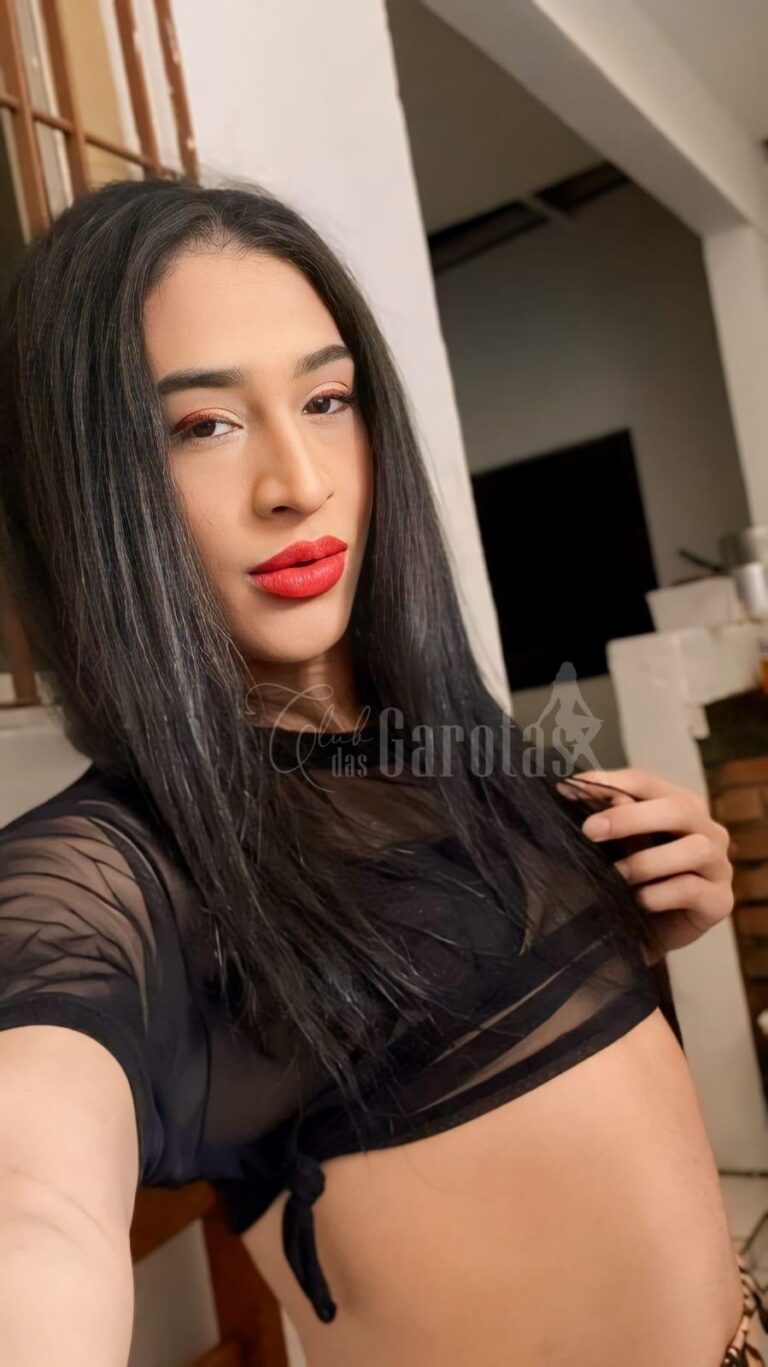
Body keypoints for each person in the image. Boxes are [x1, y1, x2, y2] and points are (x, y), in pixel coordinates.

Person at [0, 176, 760, 1367]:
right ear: (86, 489)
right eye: (201, 425)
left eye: (327, 398)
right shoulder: (115, 875)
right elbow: (31, 1206)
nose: (299, 481)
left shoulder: (454, 747)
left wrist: (629, 925)